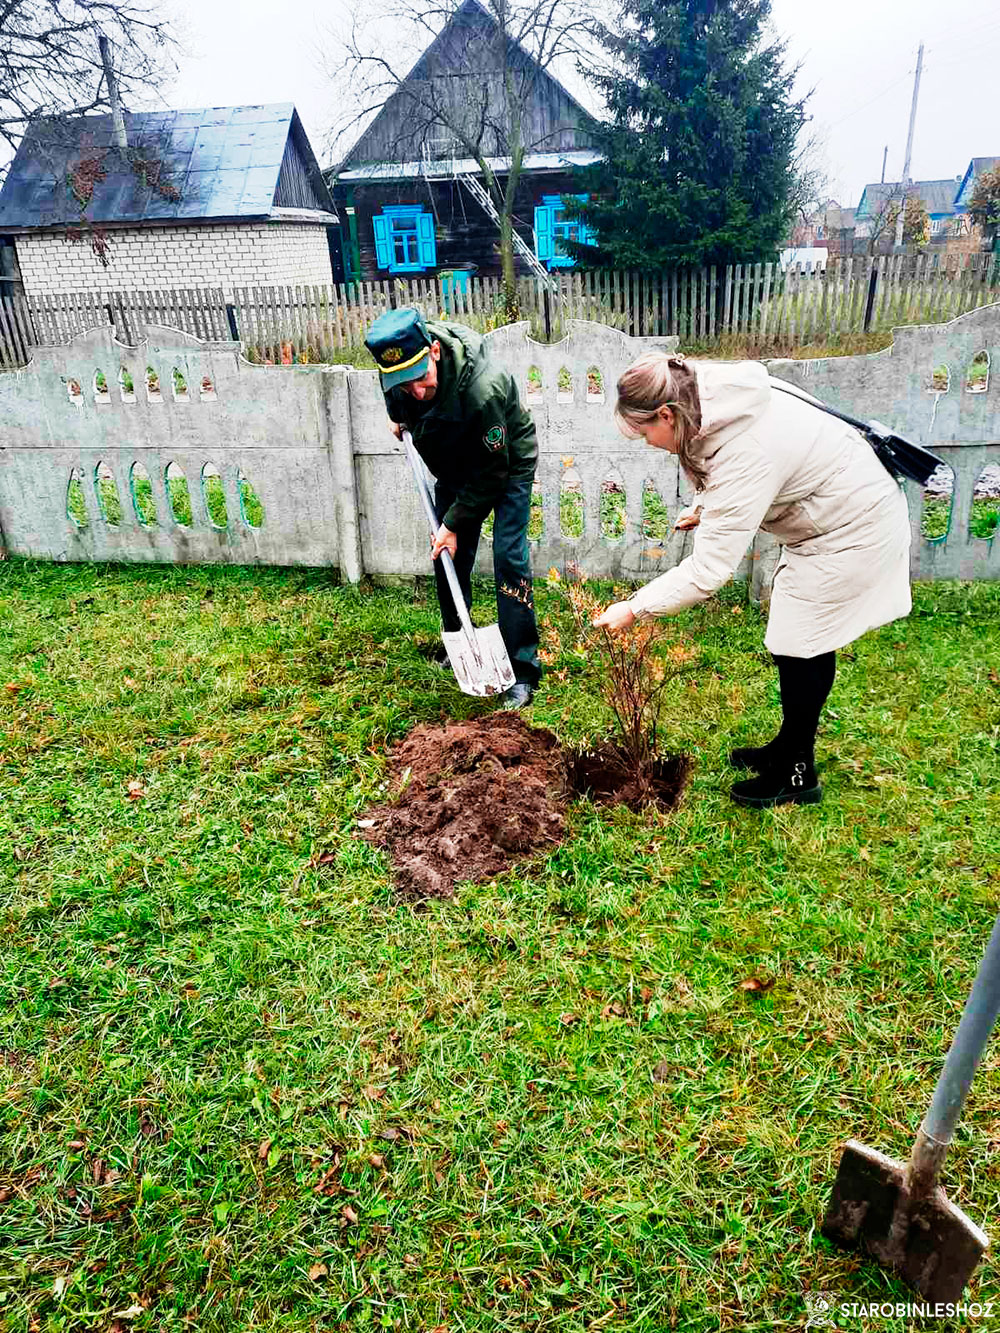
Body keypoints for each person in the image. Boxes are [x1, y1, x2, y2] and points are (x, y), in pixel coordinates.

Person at [592, 352, 912, 808]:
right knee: (799, 639)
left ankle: (797, 774)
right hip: (832, 515)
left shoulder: (747, 450)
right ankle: (789, 745)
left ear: (666, 414)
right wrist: (706, 508)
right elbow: (734, 470)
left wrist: (635, 607)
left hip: (852, 529)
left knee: (801, 642)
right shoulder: (712, 394)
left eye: (645, 430)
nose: (646, 441)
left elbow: (708, 572)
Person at [365, 307, 541, 709]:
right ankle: (458, 641)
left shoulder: (483, 390)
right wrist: (398, 416)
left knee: (508, 555)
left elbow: (492, 475)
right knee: (447, 553)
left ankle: (522, 669)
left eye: (421, 378)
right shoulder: (398, 368)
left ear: (435, 352)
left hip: (505, 462)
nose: (417, 391)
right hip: (453, 462)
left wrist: (453, 521)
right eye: (403, 384)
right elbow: (395, 394)